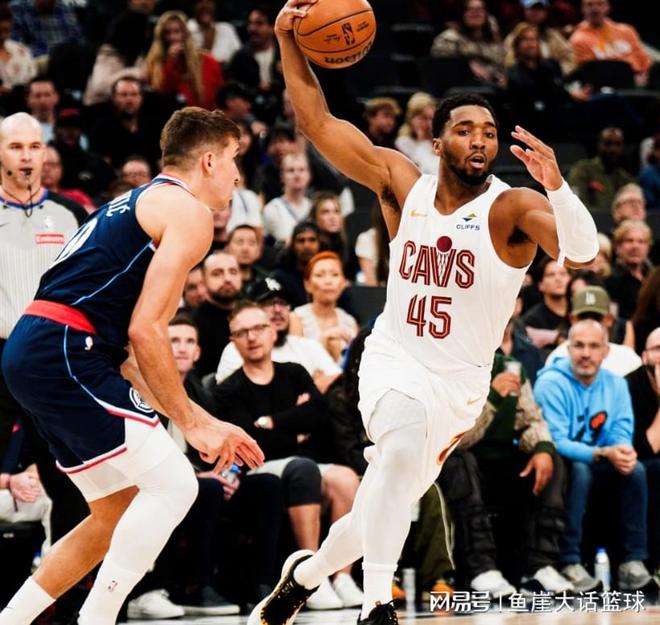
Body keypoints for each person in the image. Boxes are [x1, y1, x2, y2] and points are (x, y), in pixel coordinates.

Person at [251, 2, 599, 624]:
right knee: (400, 450)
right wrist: (287, 38)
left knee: (380, 507)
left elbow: (582, 251)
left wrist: (558, 186)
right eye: (465, 130)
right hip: (394, 357)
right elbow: (315, 121)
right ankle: (377, 604)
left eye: (489, 131)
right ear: (437, 142)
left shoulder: (513, 208)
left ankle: (304, 574)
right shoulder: (400, 182)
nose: (480, 140)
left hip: (459, 386)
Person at [0, 107, 264, 625]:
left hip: (40, 349)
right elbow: (148, 330)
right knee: (178, 484)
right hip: (67, 347)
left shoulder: (133, 202)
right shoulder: (188, 212)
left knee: (113, 511)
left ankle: (12, 619)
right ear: (209, 161)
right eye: (234, 159)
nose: (238, 176)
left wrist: (198, 417)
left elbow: (129, 351)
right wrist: (192, 423)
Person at [214, 302, 364, 610]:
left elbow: (318, 415)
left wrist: (270, 421)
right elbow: (251, 442)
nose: (252, 337)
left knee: (346, 478)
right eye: (242, 332)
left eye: (258, 328)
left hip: (298, 463)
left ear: (272, 332)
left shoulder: (294, 372)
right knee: (303, 468)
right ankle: (311, 577)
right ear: (233, 341)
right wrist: (294, 426)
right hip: (258, 469)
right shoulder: (229, 390)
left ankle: (342, 577)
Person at [439, 352, 571, 596]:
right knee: (460, 461)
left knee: (551, 460)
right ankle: (481, 568)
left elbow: (531, 419)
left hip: (501, 462)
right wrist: (493, 398)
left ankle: (539, 567)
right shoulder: (450, 365)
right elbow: (454, 439)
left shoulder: (509, 366)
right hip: (460, 462)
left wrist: (542, 447)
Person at [534, 319, 652, 593]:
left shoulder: (616, 384)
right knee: (580, 469)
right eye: (578, 346)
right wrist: (601, 452)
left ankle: (633, 562)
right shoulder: (550, 383)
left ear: (605, 351)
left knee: (635, 469)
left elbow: (621, 430)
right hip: (563, 462)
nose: (586, 353)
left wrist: (622, 451)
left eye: (593, 346)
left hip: (602, 457)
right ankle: (569, 561)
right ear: (568, 349)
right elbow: (556, 440)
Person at [216, 277, 341, 392]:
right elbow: (234, 398)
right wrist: (313, 388)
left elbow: (339, 383)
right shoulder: (238, 349)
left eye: (282, 303)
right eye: (269, 303)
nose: (277, 309)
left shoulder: (309, 347)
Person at [626, 326, 660, 584]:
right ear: (644, 355)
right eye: (658, 349)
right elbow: (644, 448)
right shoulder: (629, 385)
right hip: (639, 463)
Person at [545, 286, 641, 376]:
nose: (590, 324)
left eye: (596, 318)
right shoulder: (558, 357)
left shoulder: (628, 358)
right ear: (572, 319)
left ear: (609, 320)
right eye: (584, 318)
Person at [145, 11, 223, 110]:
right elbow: (162, 93)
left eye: (177, 31)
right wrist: (171, 61)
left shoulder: (208, 61)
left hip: (204, 115)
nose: (173, 37)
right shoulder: (155, 64)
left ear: (186, 34)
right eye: (167, 33)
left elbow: (219, 96)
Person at [294, 252, 358, 364]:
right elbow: (295, 362)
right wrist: (324, 340)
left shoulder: (350, 322)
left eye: (335, 274)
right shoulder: (296, 318)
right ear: (307, 284)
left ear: (344, 282)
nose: (328, 281)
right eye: (319, 275)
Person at [570, 0, 651, 87]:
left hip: (641, 80)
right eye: (589, 5)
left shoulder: (626, 31)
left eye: (600, 4)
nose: (595, 9)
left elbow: (644, 60)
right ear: (582, 9)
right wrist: (631, 80)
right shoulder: (578, 39)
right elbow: (591, 73)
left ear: (608, 7)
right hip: (609, 86)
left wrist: (647, 76)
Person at [192, 251, 243, 377]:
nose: (227, 279)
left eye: (233, 272)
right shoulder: (194, 324)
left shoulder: (254, 314)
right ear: (203, 281)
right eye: (217, 273)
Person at [567, 126, 635, 213]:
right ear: (599, 145)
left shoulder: (626, 178)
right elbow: (575, 203)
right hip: (589, 218)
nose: (613, 149)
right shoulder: (582, 170)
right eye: (608, 144)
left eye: (617, 144)